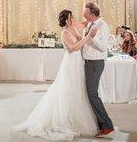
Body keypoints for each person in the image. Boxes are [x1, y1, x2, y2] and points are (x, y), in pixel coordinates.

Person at [14, 9, 99, 140]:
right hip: (70, 63)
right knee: (67, 90)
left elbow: (87, 21)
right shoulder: (65, 33)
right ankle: (64, 119)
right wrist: (88, 37)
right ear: (66, 20)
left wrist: (94, 16)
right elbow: (73, 48)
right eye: (71, 18)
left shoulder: (75, 27)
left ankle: (76, 117)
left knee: (79, 89)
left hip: (79, 62)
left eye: (73, 17)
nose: (74, 19)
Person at [81, 2, 114, 137]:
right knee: (89, 93)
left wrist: (92, 37)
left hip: (96, 63)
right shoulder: (90, 24)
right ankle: (99, 124)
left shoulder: (102, 26)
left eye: (86, 14)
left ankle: (107, 125)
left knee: (92, 94)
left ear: (93, 14)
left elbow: (102, 47)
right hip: (88, 62)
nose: (84, 16)